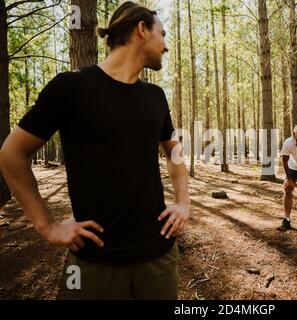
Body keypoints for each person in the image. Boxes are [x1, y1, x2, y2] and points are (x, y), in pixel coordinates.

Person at [0, 1, 190, 299]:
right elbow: (11, 153)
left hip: (159, 257)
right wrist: (47, 225)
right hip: (94, 262)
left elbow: (174, 152)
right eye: (162, 34)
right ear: (142, 29)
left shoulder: (156, 96)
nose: (166, 46)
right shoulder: (71, 88)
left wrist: (183, 201)